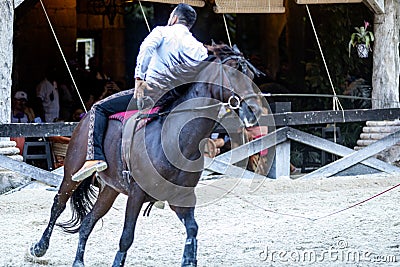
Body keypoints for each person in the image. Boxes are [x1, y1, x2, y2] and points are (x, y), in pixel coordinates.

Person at [71, 3, 208, 181]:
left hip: (153, 94)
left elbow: (146, 49)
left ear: (174, 18)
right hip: (176, 100)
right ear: (189, 24)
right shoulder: (198, 48)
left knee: (99, 108)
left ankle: (95, 157)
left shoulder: (162, 32)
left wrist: (139, 78)